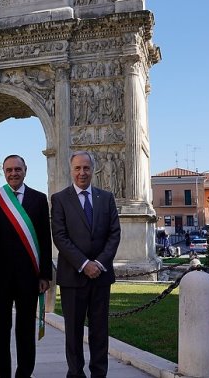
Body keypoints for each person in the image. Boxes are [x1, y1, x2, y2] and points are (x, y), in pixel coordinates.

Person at [50, 151, 121, 378]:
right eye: (78, 168)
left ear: (93, 170)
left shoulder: (106, 197)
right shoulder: (59, 199)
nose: (82, 173)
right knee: (73, 332)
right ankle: (75, 374)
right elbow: (60, 237)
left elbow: (114, 234)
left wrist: (98, 263)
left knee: (100, 331)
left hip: (101, 276)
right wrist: (84, 264)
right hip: (73, 276)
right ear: (71, 171)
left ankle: (99, 374)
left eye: (86, 168)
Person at [0, 155, 52, 378]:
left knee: (25, 330)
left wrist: (45, 275)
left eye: (17, 169)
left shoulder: (39, 199)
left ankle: (24, 373)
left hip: (28, 277)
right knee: (0, 330)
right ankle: (2, 373)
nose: (13, 173)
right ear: (4, 172)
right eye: (9, 170)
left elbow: (44, 238)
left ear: (25, 170)